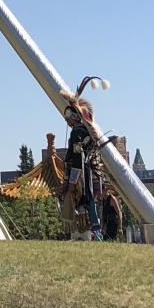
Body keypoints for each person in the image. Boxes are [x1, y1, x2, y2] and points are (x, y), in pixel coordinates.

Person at [59, 75, 111, 241]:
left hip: (79, 170)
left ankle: (86, 232)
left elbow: (75, 152)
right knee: (85, 199)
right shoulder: (84, 130)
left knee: (79, 197)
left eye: (69, 118)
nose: (67, 121)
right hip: (83, 169)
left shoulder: (78, 131)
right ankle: (91, 232)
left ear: (75, 116)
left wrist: (70, 170)